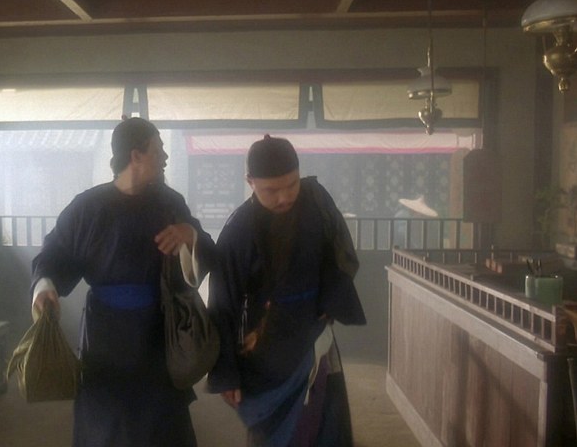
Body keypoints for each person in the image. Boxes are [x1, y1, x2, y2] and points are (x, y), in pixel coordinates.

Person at [30, 117, 217, 447]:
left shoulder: (170, 203)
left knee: (162, 424)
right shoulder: (87, 207)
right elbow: (54, 254)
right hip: (105, 334)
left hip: (158, 329)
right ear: (136, 156)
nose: (165, 157)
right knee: (107, 420)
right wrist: (45, 286)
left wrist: (189, 235)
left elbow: (208, 250)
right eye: (158, 150)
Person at [207, 135, 366, 447]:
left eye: (292, 185)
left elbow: (340, 254)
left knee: (324, 421)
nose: (284, 197)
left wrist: (330, 301)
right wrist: (226, 373)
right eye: (271, 190)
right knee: (274, 432)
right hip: (265, 344)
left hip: (314, 330)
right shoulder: (239, 230)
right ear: (250, 182)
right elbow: (222, 304)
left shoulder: (316, 201)